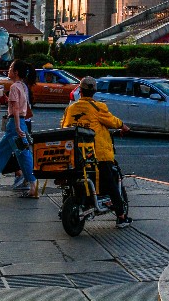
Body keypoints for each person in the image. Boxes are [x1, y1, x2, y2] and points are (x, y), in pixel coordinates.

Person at [62, 76, 132, 227]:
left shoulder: (70, 108)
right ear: (94, 91)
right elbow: (112, 121)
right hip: (96, 154)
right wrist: (123, 126)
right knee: (112, 183)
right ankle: (121, 216)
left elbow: (64, 126)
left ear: (80, 91)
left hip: (73, 154)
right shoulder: (98, 107)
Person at [0, 60, 37, 199]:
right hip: (20, 124)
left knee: (1, 154)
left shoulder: (15, 87)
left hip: (14, 125)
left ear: (16, 72)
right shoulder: (22, 86)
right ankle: (32, 185)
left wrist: (16, 126)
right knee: (23, 154)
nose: (8, 71)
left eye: (10, 68)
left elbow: (15, 108)